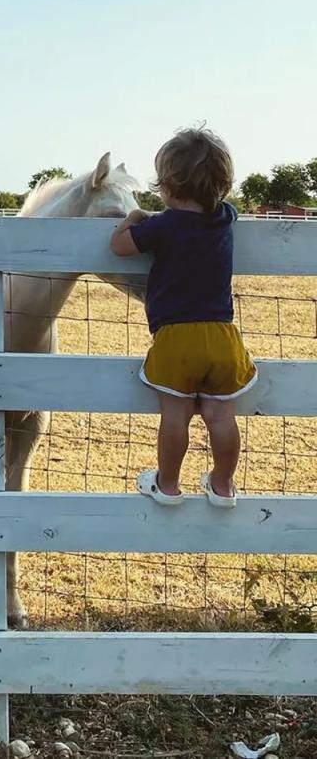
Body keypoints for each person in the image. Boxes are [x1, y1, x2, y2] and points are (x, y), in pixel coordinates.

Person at [111, 127, 256, 509]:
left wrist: (133, 218)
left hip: (176, 339)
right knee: (220, 417)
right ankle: (223, 486)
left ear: (170, 186)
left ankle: (169, 485)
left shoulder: (165, 223)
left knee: (175, 416)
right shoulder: (226, 216)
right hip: (223, 337)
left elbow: (120, 247)